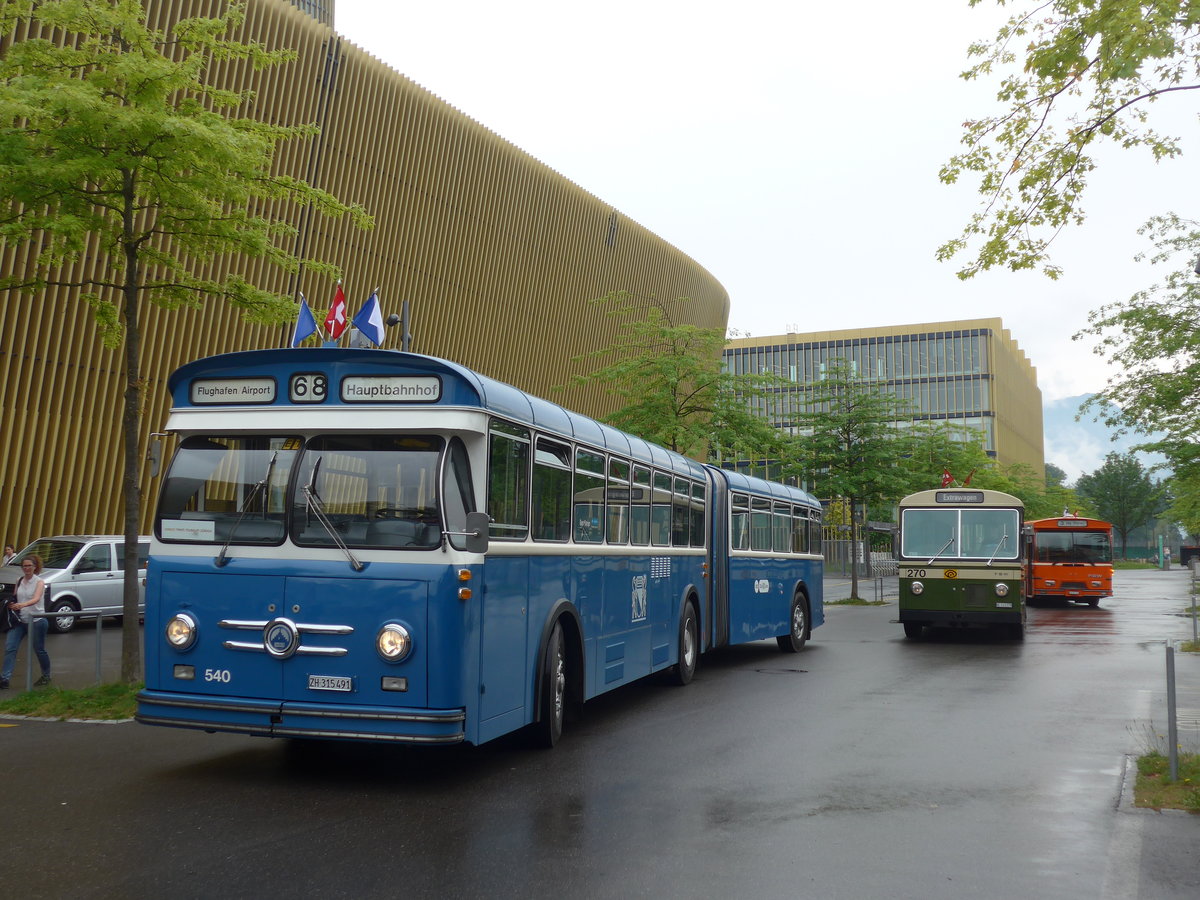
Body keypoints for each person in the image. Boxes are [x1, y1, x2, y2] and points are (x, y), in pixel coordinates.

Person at [0, 554, 51, 689]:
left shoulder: (39, 582)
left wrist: (23, 605)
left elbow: (36, 598)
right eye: (24, 566)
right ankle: (4, 679)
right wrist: (11, 604)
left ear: (35, 567)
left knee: (39, 649)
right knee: (10, 647)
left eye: (29, 566)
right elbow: (15, 597)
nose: (27, 568)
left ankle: (46, 675)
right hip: (19, 620)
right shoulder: (19, 580)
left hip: (37, 620)